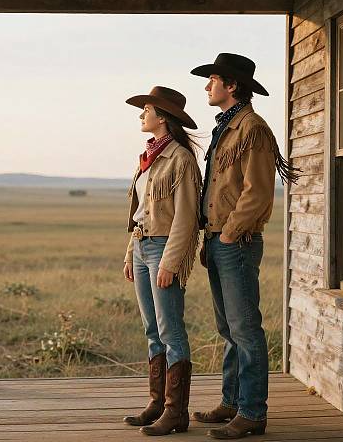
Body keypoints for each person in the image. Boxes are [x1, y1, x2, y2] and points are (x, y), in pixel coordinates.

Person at [189, 53, 299, 439]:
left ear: (231, 85)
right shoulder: (228, 127)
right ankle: (232, 403)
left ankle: (252, 412)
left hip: (235, 241)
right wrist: (211, 234)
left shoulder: (251, 128)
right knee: (229, 329)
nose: (207, 86)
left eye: (213, 79)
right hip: (219, 239)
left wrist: (231, 232)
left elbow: (257, 192)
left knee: (246, 329)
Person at [122, 86, 202, 436]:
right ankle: (157, 403)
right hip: (141, 246)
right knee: (151, 331)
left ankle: (175, 412)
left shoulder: (180, 158)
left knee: (170, 330)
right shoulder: (148, 157)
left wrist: (171, 261)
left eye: (147, 109)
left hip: (163, 248)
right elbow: (139, 213)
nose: (142, 115)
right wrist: (130, 252)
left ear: (163, 117)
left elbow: (186, 217)